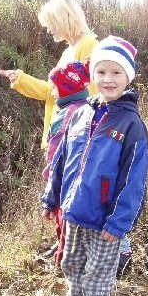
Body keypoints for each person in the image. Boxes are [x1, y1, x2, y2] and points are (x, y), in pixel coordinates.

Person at [0, 0, 133, 273]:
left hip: (80, 135)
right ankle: (66, 242)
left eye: (50, 24)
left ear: (64, 19)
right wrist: (21, 80)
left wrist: (88, 138)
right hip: (62, 131)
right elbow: (54, 92)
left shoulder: (89, 47)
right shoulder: (70, 49)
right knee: (64, 190)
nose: (48, 30)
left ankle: (119, 249)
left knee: (93, 190)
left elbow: (96, 96)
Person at [41, 36, 148, 296]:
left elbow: (134, 183)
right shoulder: (80, 114)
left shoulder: (132, 126)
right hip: (75, 212)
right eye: (101, 72)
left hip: (105, 221)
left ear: (128, 77)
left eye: (116, 73)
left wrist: (119, 224)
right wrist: (52, 198)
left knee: (99, 272)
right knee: (72, 263)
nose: (108, 79)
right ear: (92, 76)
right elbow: (61, 159)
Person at [45, 60, 92, 266]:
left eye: (54, 88)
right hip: (75, 180)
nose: (52, 93)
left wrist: (49, 176)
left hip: (66, 180)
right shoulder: (83, 108)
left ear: (66, 90)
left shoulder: (70, 115)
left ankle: (64, 262)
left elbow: (57, 151)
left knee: (63, 222)